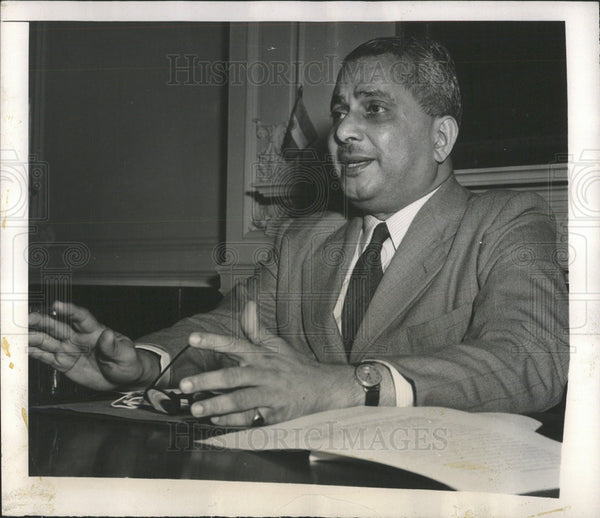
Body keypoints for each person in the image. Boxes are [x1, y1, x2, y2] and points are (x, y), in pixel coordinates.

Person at [29, 36, 569, 427]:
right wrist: (140, 365)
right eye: (340, 112)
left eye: (373, 109)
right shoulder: (303, 240)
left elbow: (531, 360)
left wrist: (341, 386)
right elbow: (223, 330)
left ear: (441, 137)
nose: (342, 131)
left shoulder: (509, 222)